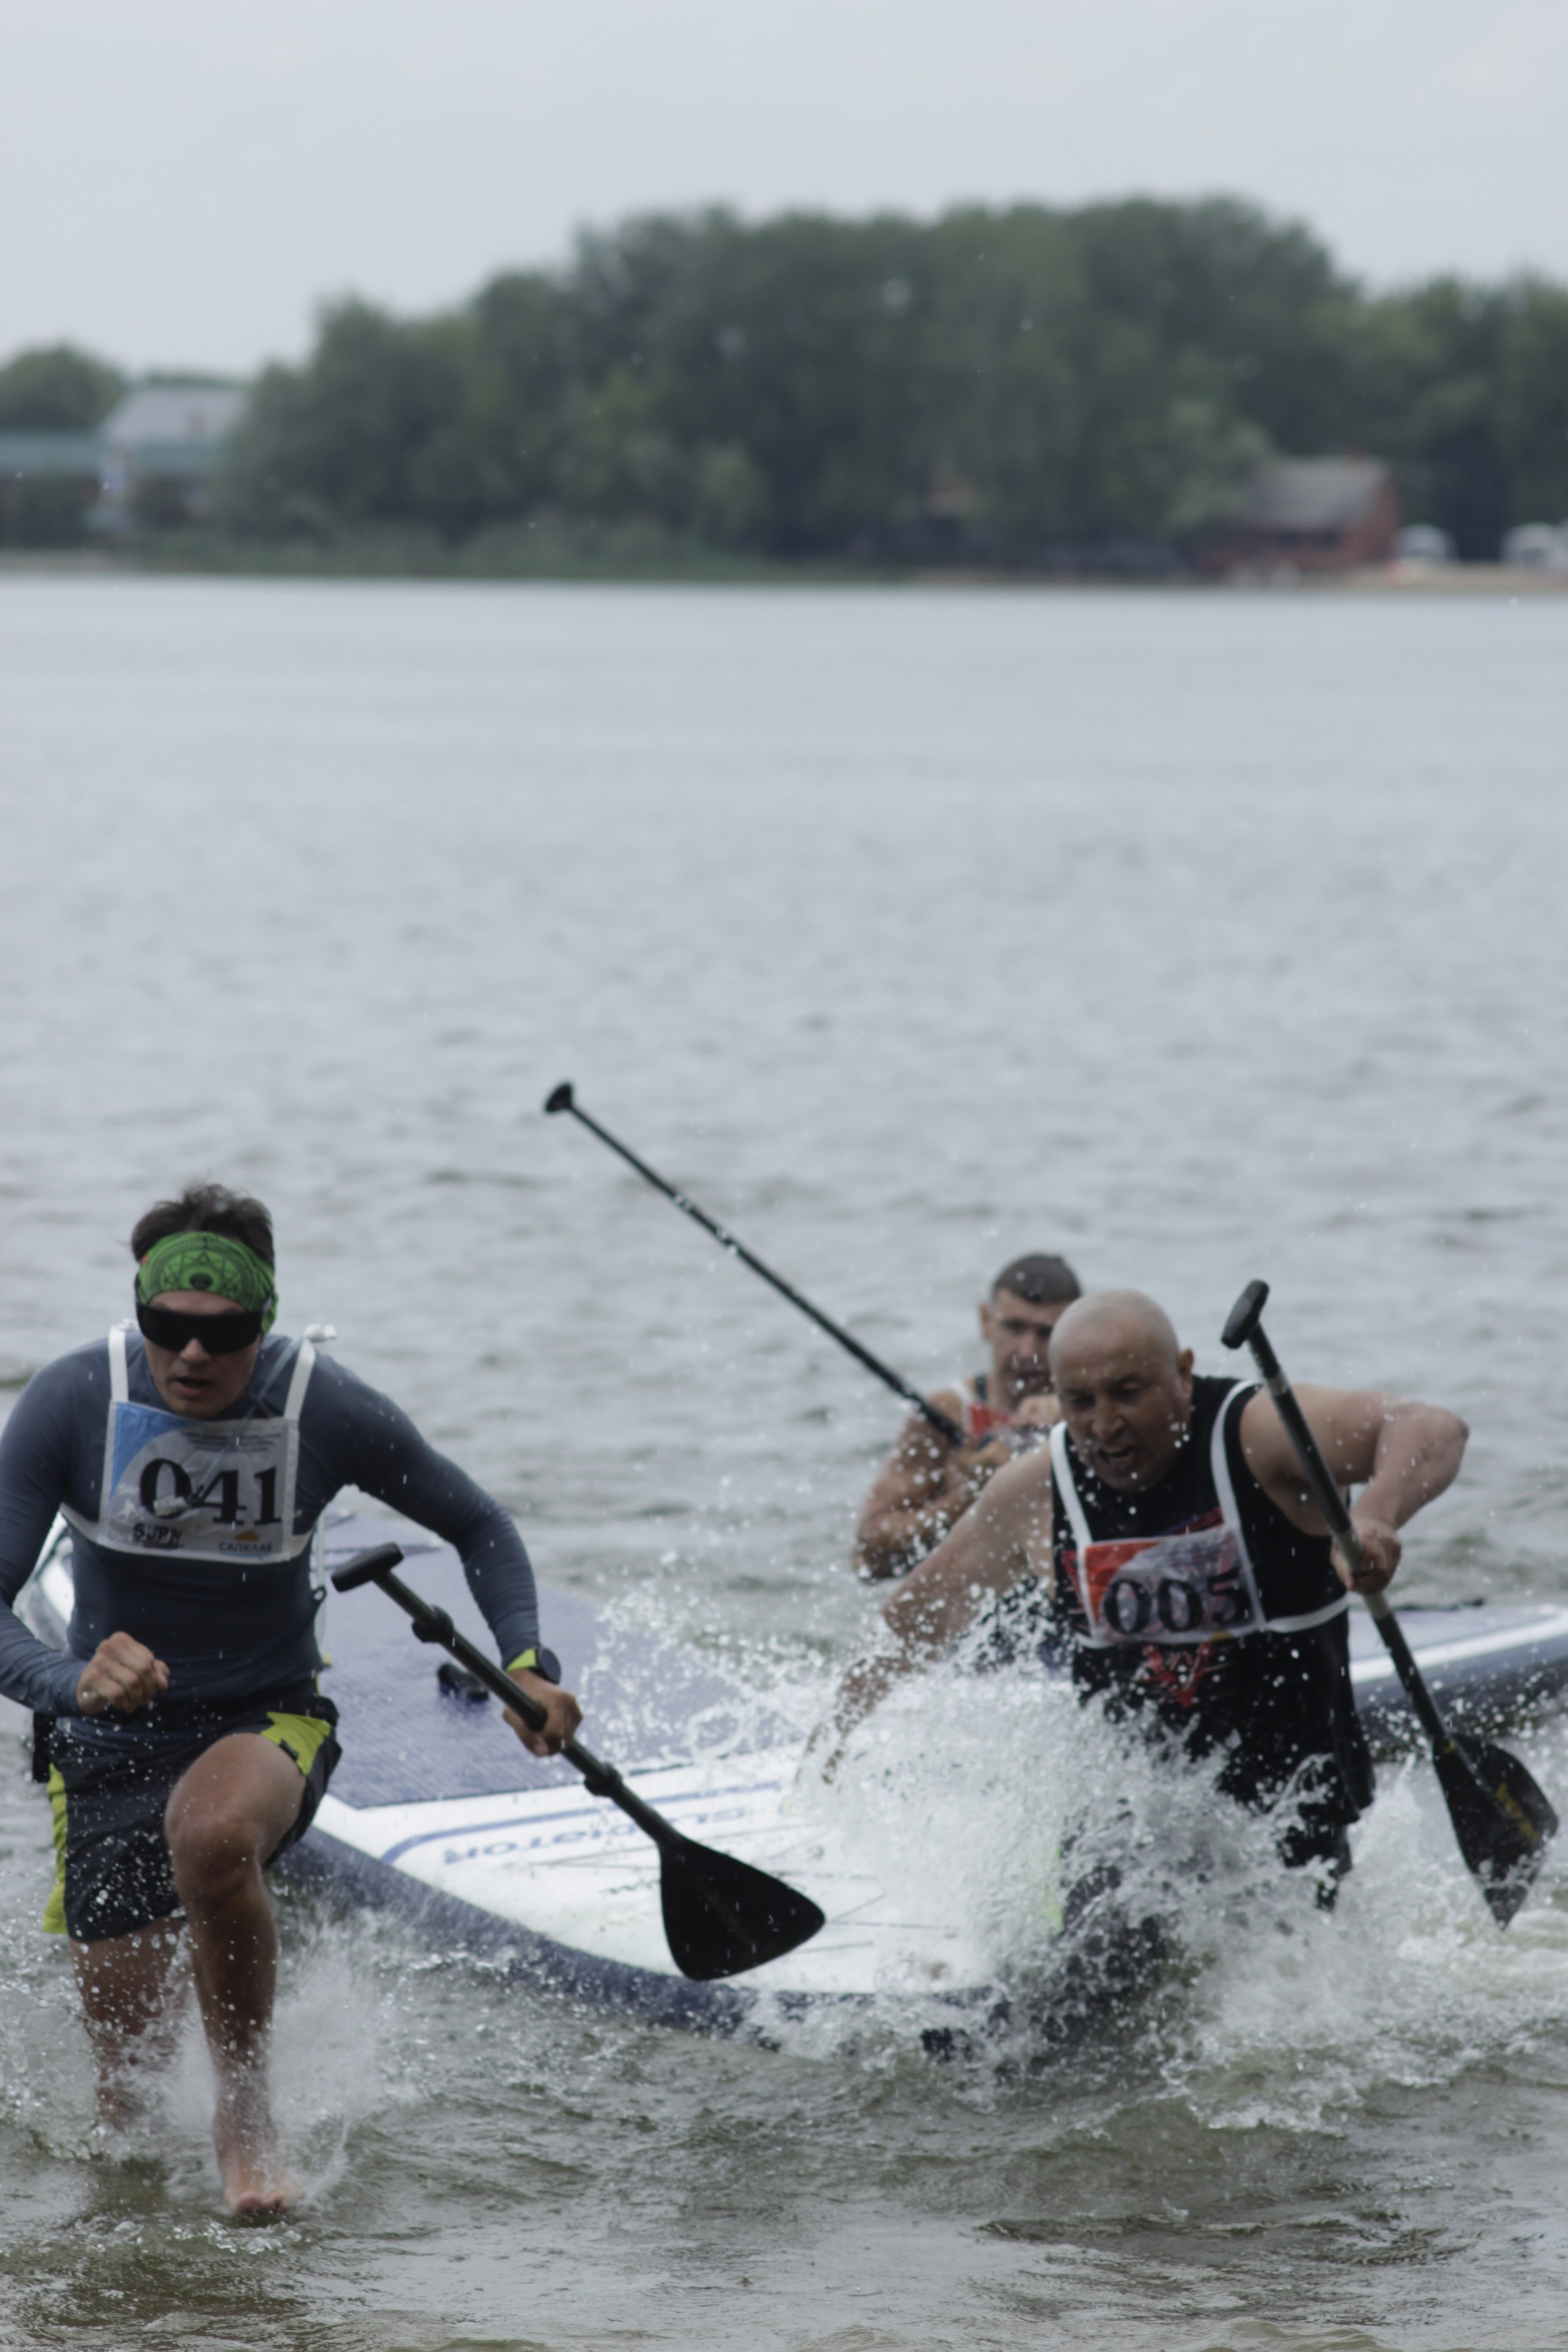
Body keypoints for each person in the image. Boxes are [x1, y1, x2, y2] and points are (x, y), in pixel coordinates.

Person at [0, 1183, 581, 2217]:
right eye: (166, 1328)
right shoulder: (71, 1400)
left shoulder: (325, 1405)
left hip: (265, 1714)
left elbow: (482, 1524)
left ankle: (247, 2117)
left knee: (213, 1833)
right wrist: (69, 1680)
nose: (190, 1357)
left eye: (220, 1336)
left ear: (264, 1322)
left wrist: (528, 1664)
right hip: (104, 1737)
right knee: (124, 2129)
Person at [824, 1289, 1468, 1899]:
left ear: (1182, 1374)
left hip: (1290, 1812)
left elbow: (1430, 1428)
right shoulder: (1037, 1488)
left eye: (1127, 1393)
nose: (1104, 1426)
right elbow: (913, 1621)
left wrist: (1377, 1518)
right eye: (1078, 1402)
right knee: (1097, 1970)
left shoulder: (1256, 1434)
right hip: (1126, 1830)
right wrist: (829, 1745)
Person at [853, 1253, 1082, 1580]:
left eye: (1047, 1334)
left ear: (1073, 1336)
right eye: (1014, 1328)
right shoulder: (948, 1412)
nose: (1027, 1352)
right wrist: (971, 1498)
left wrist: (1071, 1428)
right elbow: (867, 1558)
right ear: (986, 1321)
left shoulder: (1091, 1414)